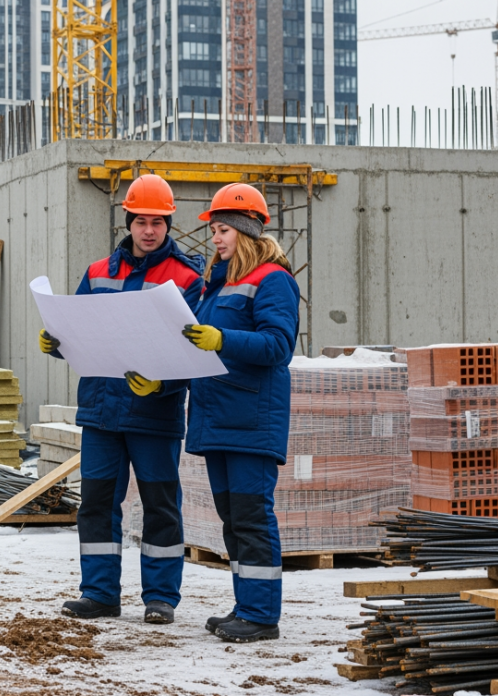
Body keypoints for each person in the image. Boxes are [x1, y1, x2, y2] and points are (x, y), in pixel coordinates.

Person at [40, 174, 204, 624]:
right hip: (100, 410)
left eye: (158, 222)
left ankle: (160, 599)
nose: (149, 230)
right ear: (127, 221)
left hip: (154, 413)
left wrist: (163, 386)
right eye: (141, 221)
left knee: (160, 506)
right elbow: (75, 327)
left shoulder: (188, 278)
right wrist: (58, 342)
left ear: (169, 224)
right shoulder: (96, 273)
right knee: (96, 504)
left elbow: (195, 353)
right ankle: (99, 593)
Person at [182, 182, 299, 643]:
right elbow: (191, 346)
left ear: (247, 230)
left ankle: (261, 616)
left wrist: (221, 339)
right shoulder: (218, 285)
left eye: (223, 229)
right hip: (219, 419)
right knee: (235, 519)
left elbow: (278, 346)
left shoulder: (273, 279)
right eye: (214, 230)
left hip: (251, 419)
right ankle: (246, 605)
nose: (215, 238)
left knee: (252, 518)